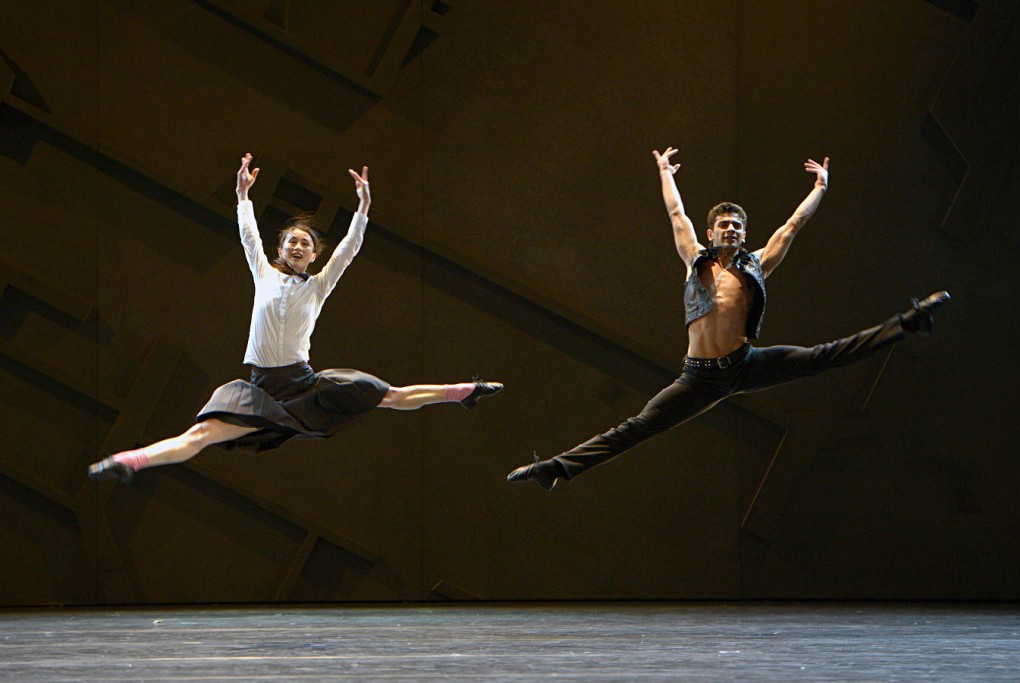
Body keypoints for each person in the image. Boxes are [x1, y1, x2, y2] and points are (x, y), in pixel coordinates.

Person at [507, 148, 949, 491]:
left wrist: (821, 187)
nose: (732, 230)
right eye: (724, 224)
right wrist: (664, 174)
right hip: (698, 377)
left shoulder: (757, 263)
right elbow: (676, 215)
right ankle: (554, 469)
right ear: (712, 231)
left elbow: (792, 226)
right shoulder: (694, 261)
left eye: (738, 225)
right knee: (637, 427)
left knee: (822, 356)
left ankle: (909, 322)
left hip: (744, 364)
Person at [89, 153, 502, 483]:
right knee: (200, 435)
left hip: (303, 386)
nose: (299, 246)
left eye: (306, 242)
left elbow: (349, 249)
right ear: (281, 250)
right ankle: (130, 461)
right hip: (260, 389)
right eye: (291, 242)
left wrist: (363, 207)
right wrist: (243, 196)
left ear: (314, 253)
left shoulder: (318, 285)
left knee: (387, 395)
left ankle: (463, 391)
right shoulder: (263, 273)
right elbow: (248, 235)